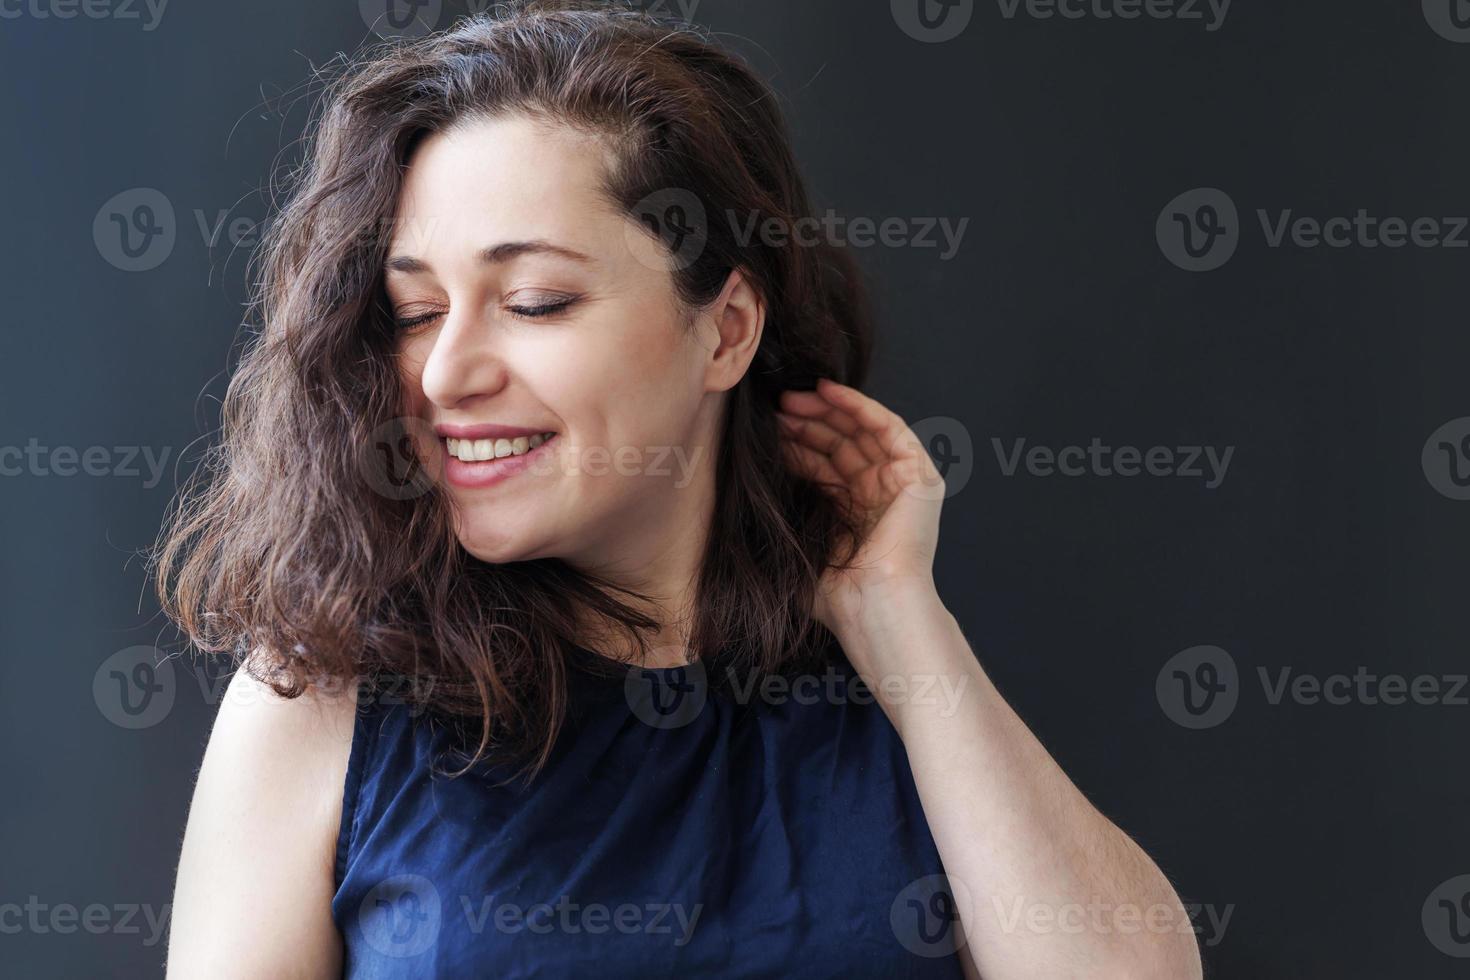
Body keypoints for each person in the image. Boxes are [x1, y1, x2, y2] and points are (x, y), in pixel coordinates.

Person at [158, 2, 1202, 977]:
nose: (445, 375)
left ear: (727, 328)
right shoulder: (325, 694)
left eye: (534, 301)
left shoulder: (892, 698)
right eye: (418, 311)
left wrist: (895, 612)